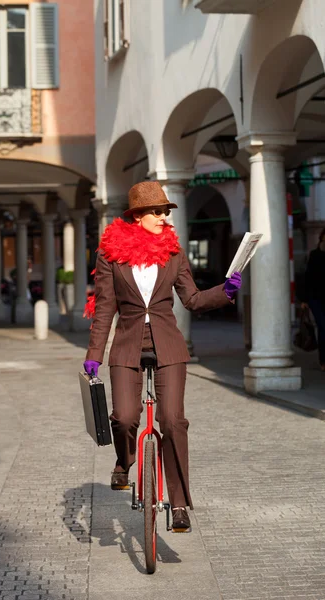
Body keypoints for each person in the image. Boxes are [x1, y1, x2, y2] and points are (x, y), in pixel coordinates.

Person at [83, 181, 241, 532]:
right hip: (126, 345)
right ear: (137, 216)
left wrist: (226, 291)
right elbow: (105, 308)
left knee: (172, 422)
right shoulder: (111, 256)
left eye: (165, 211)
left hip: (168, 345)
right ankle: (124, 462)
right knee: (124, 417)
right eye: (156, 211)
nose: (163, 217)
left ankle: (180, 503)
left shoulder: (174, 254)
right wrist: (95, 353)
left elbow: (193, 299)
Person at [301, 227, 325, 371]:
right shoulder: (315, 255)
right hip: (316, 299)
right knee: (323, 327)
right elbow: (308, 277)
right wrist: (304, 300)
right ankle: (323, 360)